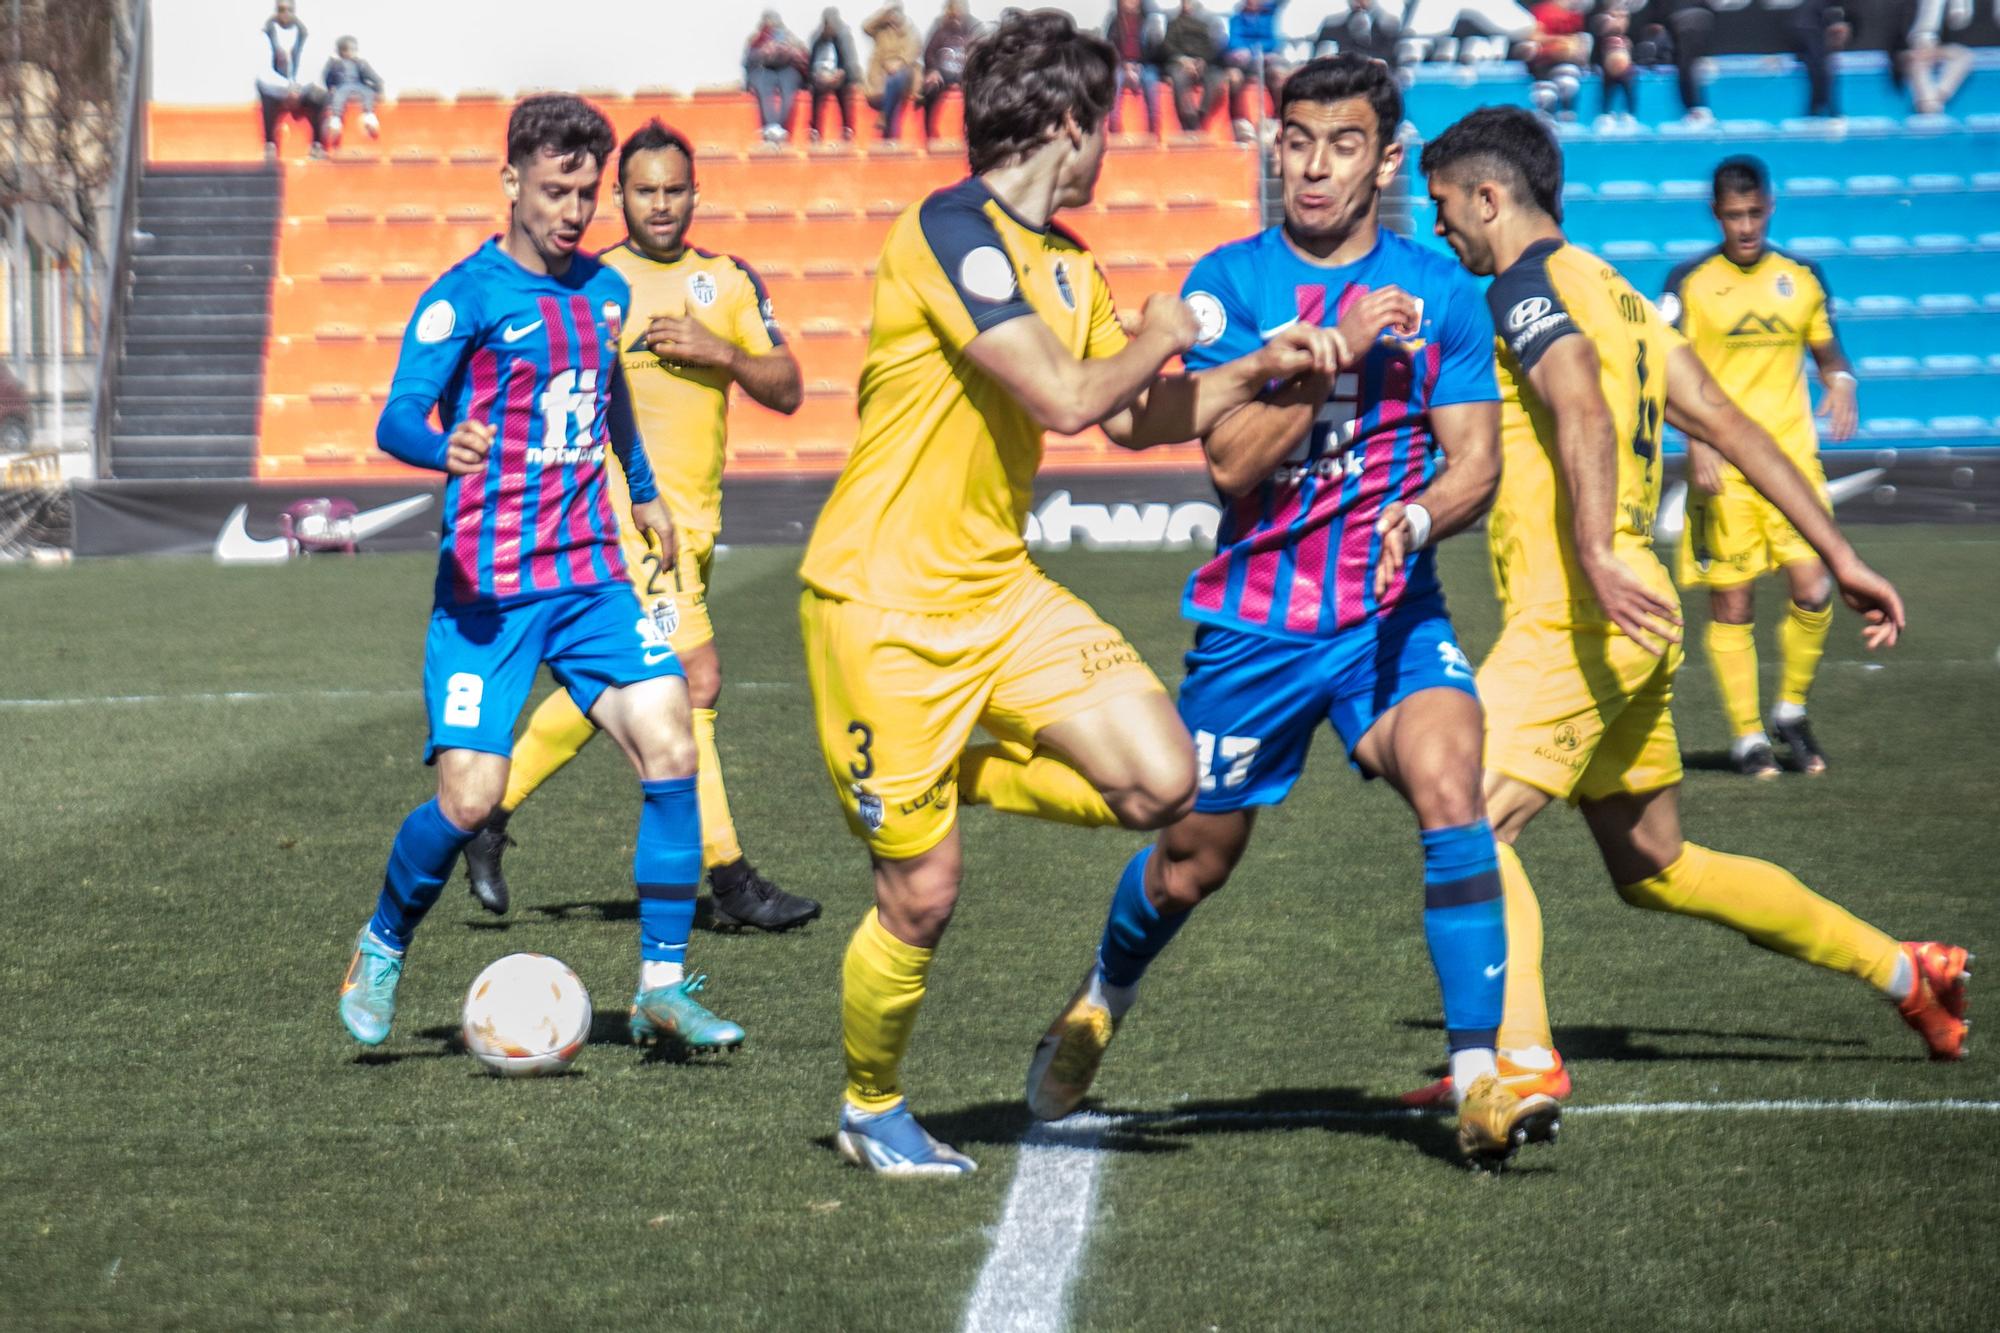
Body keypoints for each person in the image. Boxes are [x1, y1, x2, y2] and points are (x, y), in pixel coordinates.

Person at [798, 10, 1344, 1177]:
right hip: (880, 604)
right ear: (1064, 124)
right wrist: (1161, 331)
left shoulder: (1067, 261)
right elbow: (1061, 395)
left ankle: (946, 769)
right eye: (1102, 127)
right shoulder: (950, 232)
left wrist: (1254, 366)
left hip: (994, 590)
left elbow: (1136, 410)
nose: (1110, 151)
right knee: (920, 896)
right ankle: (868, 1105)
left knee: (1164, 777)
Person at [1023, 55, 1560, 1170]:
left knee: (1451, 782)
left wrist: (1416, 522)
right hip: (1254, 628)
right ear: (1276, 146)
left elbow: (1473, 464)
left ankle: (1475, 1081)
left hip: (1386, 617)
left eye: (1343, 143)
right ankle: (1100, 993)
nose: (1314, 167)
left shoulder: (1443, 291)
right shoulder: (1230, 282)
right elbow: (1227, 466)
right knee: (1189, 863)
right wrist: (1329, 364)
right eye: (1297, 141)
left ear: (1386, 158)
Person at [1401, 105, 1967, 1107]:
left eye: (1444, 206)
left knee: (1466, 820)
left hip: (1578, 621)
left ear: (1489, 196)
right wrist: (1839, 555)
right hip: (1639, 619)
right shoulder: (1617, 294)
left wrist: (1587, 546)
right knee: (1656, 864)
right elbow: (1734, 422)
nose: (1440, 226)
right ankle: (1903, 970)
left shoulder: (1525, 292)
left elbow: (1574, 403)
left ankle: (1520, 1061)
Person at [337, 95, 745, 1059]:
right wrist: (447, 444)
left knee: (672, 737)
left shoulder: (604, 293)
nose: (574, 210)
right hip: (490, 589)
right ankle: (383, 941)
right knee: (472, 798)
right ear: (511, 181)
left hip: (592, 577)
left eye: (585, 192)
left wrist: (642, 491)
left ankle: (659, 987)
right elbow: (395, 416)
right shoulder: (463, 298)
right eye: (556, 189)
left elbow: (611, 401)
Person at [463, 120, 820, 935]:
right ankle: (729, 876)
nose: (659, 205)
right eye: (643, 190)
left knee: (621, 689)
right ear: (617, 196)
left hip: (692, 529)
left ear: (697, 194)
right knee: (694, 679)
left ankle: (484, 810)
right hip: (619, 524)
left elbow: (790, 386)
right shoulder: (592, 284)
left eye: (674, 190)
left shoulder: (728, 282)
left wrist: (720, 351)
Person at [1661, 156, 1857, 778]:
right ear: (1716, 214)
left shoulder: (1802, 278)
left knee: (1814, 587)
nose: (1745, 226)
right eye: (1733, 215)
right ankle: (1746, 736)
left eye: (1754, 213)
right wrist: (1698, 441)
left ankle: (1790, 711)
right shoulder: (1688, 282)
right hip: (1725, 468)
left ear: (1770, 207)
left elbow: (1827, 351)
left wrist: (1842, 382)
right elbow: (1663, 369)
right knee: (1733, 602)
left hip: (1793, 465)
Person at [255, 0, 328, 160]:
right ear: (276, 11)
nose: (285, 13)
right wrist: (285, 89)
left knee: (320, 98)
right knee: (265, 97)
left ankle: (317, 145)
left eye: (289, 10)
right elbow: (263, 72)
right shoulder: (266, 33)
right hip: (275, 88)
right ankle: (270, 145)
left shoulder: (303, 33)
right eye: (281, 10)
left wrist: (297, 89)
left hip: (299, 89)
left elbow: (311, 66)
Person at [1888, 0, 1973, 115]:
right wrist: (1914, 51)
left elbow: (1957, 24)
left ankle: (1938, 96)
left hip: (1933, 49)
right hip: (1909, 51)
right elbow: (1895, 35)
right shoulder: (1904, 5)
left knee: (1964, 56)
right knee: (1917, 65)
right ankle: (1927, 104)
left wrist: (1932, 50)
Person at [1223, 0, 1290, 143]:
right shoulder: (1237, 18)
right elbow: (1233, 41)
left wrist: (1262, 51)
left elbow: (1273, 40)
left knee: (1278, 76)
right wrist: (1245, 52)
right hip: (1245, 63)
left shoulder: (1268, 17)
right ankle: (1237, 120)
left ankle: (1278, 118)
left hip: (1265, 61)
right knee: (1234, 78)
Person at [1161, 0, 1229, 134]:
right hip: (1179, 64)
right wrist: (1183, 60)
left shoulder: (1204, 25)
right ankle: (1188, 117)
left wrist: (1202, 61)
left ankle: (1202, 112)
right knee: (1179, 78)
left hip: (1201, 64)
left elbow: (1210, 48)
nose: (1187, 6)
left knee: (1216, 78)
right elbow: (1166, 48)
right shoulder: (1173, 24)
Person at [745, 10, 808, 144]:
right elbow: (748, 61)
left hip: (787, 69)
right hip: (764, 69)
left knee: (788, 88)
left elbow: (804, 58)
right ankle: (770, 126)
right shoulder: (756, 40)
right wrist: (763, 53)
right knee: (763, 88)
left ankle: (781, 127)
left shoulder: (790, 38)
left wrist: (790, 52)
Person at [919, 0, 978, 140]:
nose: (957, 12)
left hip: (965, 72)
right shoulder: (940, 29)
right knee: (929, 89)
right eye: (953, 9)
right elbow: (929, 52)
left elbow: (982, 51)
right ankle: (928, 133)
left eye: (960, 9)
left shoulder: (973, 28)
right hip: (943, 72)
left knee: (975, 92)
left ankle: (971, 131)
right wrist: (933, 70)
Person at [863, 3, 921, 141]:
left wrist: (899, 63)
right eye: (891, 13)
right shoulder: (880, 30)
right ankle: (891, 139)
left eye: (896, 13)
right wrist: (883, 14)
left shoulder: (910, 31)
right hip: (882, 75)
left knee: (895, 80)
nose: (893, 17)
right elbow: (865, 27)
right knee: (893, 91)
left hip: (904, 72)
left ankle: (884, 117)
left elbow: (914, 51)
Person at [1105, 0, 1163, 136]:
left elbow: (1155, 51)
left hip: (1144, 64)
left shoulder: (1149, 22)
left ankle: (1154, 132)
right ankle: (1115, 131)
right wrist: (1124, 65)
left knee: (1150, 80)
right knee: (1114, 81)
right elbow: (1110, 48)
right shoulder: (1114, 22)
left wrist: (1138, 65)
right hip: (1121, 65)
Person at [806, 8, 863, 143]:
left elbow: (849, 62)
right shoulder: (817, 38)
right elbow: (811, 62)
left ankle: (847, 128)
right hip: (821, 76)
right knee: (815, 92)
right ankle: (815, 130)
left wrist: (839, 75)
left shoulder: (843, 36)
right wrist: (817, 76)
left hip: (839, 76)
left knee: (843, 93)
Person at [322, 35, 384, 144]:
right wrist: (330, 86)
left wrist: (380, 89)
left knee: (368, 93)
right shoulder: (335, 63)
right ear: (340, 51)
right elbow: (327, 77)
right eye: (345, 50)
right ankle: (336, 120)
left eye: (352, 49)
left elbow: (373, 76)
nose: (349, 53)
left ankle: (369, 116)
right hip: (342, 85)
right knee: (338, 97)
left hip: (358, 85)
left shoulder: (360, 63)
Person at [1660, 0, 1714, 123]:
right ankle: (1697, 109)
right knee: (1690, 63)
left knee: (1686, 65)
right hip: (1699, 16)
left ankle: (1696, 110)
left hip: (1684, 17)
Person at [1591, 0, 1640, 126]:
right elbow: (1596, 53)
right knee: (1606, 92)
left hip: (1626, 70)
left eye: (1623, 17)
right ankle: (1605, 113)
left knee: (1629, 91)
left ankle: (1630, 114)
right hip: (1608, 70)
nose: (1618, 20)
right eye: (1614, 16)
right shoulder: (1602, 37)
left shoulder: (1628, 37)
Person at [1314, 0, 1401, 67]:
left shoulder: (1392, 25)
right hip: (1340, 84)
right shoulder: (1331, 25)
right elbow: (1321, 61)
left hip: (1377, 83)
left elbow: (1399, 67)